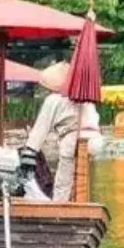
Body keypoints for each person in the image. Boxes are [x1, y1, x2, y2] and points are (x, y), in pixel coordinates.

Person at [21, 63, 84, 203]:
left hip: (70, 140)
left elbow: (41, 128)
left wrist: (29, 151)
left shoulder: (54, 99)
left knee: (63, 181)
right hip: (88, 139)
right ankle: (74, 202)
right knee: (80, 181)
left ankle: (60, 208)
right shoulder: (82, 98)